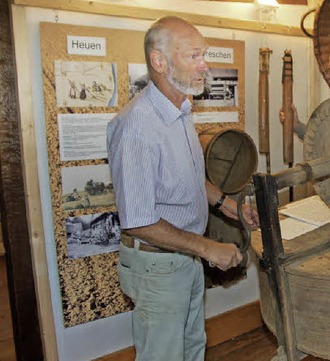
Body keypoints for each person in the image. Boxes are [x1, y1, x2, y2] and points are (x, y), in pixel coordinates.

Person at [107, 16, 259, 361]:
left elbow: (189, 179)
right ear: (159, 61)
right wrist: (208, 248)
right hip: (157, 266)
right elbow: (138, 221)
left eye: (203, 55)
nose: (204, 66)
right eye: (194, 56)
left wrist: (229, 207)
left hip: (183, 258)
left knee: (192, 349)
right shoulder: (136, 128)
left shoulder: (180, 110)